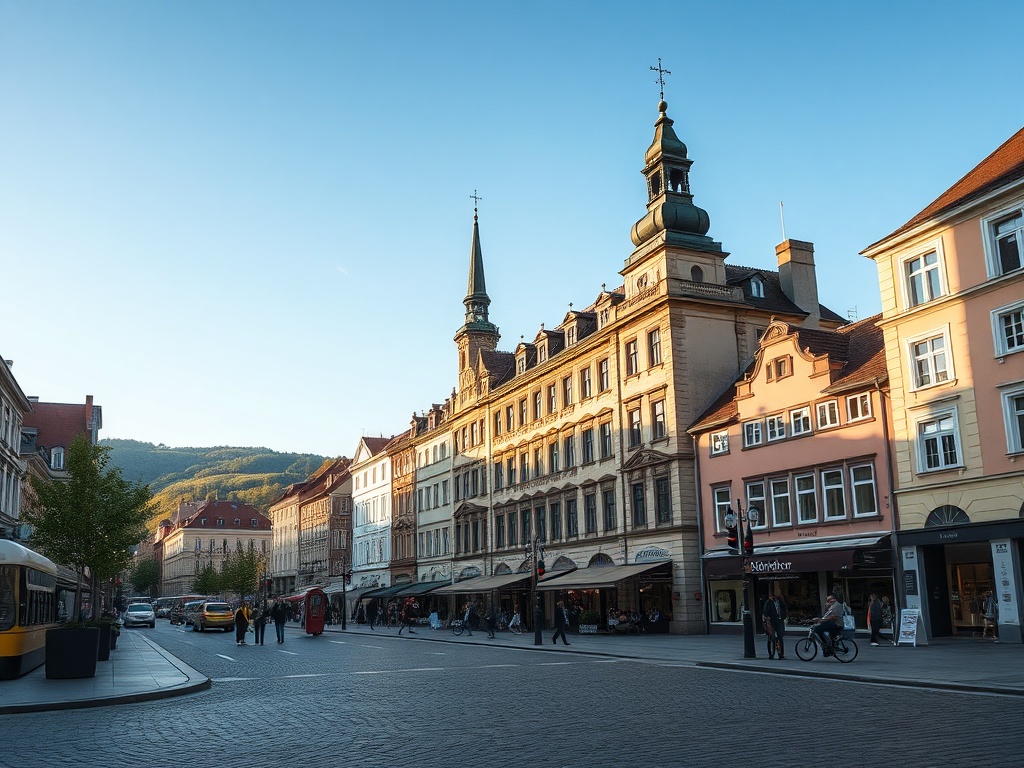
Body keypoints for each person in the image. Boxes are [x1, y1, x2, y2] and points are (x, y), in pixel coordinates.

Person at [762, 591, 787, 659]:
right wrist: (768, 617)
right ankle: (771, 653)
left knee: (780, 637)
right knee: (771, 637)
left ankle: (781, 653)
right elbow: (765, 610)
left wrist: (783, 617)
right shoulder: (769, 602)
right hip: (771, 621)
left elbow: (784, 609)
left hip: (779, 620)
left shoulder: (781, 602)